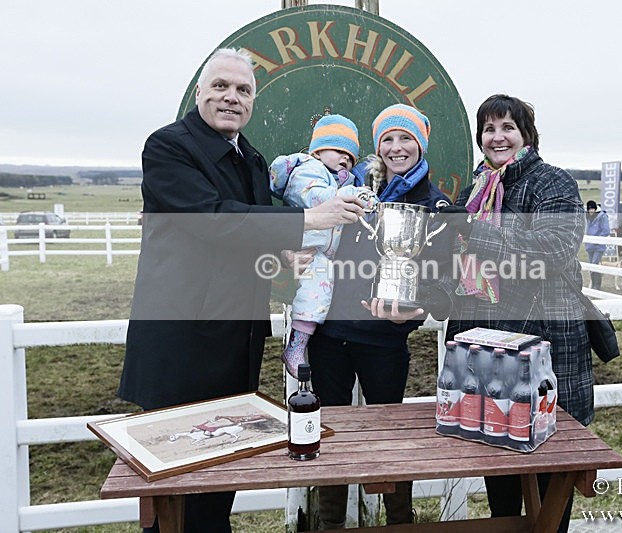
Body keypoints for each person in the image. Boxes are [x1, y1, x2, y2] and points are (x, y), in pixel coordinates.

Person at [118, 48, 364, 533]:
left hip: (237, 345)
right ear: (200, 92)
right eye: (221, 86)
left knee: (218, 490)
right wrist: (309, 218)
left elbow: (244, 242)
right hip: (181, 346)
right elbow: (210, 220)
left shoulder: (249, 158)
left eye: (243, 90)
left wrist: (281, 258)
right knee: (174, 495)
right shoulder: (167, 147)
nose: (232, 97)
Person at [441, 94, 593, 533]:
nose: (498, 137)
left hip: (542, 346)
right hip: (485, 350)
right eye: (489, 129)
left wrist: (474, 232)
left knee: (548, 474)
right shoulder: (477, 188)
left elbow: (553, 251)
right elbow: (461, 267)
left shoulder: (552, 183)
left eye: (508, 127)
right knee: (497, 465)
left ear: (526, 134)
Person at [307, 104, 452, 529]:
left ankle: (398, 521)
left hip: (384, 341)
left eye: (405, 138)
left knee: (392, 440)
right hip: (329, 334)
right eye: (387, 139)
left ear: (420, 144)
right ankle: (328, 521)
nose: (396, 147)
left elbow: (440, 277)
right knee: (327, 433)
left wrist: (411, 308)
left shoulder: (433, 203)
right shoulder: (351, 188)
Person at [269, 114, 378, 377]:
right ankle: (296, 346)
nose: (345, 159)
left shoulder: (343, 181)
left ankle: (300, 343)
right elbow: (314, 197)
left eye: (350, 157)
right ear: (318, 151)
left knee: (321, 294)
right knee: (313, 295)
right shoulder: (308, 170)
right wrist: (352, 196)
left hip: (326, 252)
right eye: (339, 150)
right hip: (308, 245)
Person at [584, 200, 610, 289]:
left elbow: (606, 230)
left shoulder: (602, 217)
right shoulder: (587, 217)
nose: (591, 211)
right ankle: (594, 284)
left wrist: (597, 239)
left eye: (592, 209)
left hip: (598, 245)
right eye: (589, 209)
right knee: (591, 265)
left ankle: (597, 285)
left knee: (594, 263)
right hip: (589, 244)